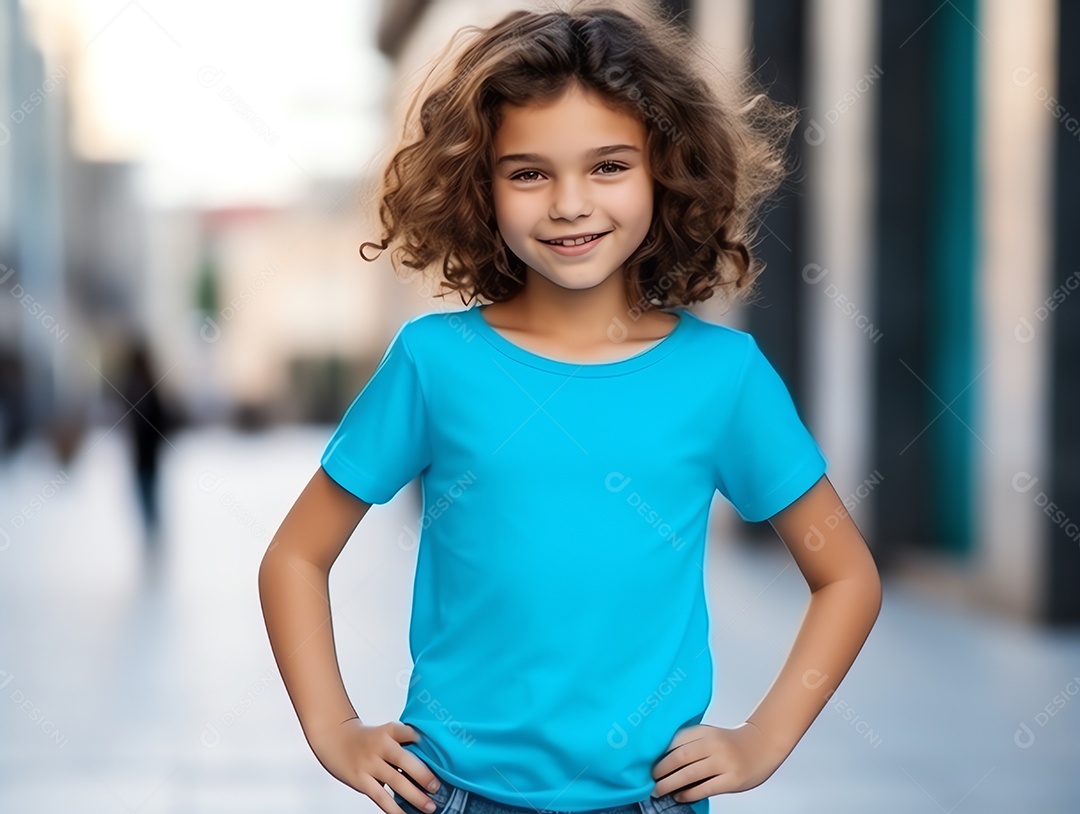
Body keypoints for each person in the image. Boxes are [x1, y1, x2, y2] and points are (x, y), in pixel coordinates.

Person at [258, 3, 882, 814]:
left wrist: (763, 738)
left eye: (609, 166)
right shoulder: (433, 360)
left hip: (650, 800)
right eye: (528, 172)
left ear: (667, 168)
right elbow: (294, 557)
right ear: (479, 186)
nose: (569, 203)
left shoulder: (722, 376)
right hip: (456, 795)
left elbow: (847, 576)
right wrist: (333, 725)